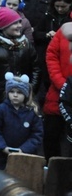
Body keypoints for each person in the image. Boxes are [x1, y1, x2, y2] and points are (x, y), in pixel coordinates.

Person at [0, 7, 38, 106]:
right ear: (4, 26)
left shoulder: (25, 44)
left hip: (23, 95)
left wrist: (30, 88)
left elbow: (36, 68)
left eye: (20, 22)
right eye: (15, 23)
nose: (20, 25)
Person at [0, 73, 43, 169]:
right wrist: (2, 147)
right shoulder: (1, 109)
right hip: (0, 157)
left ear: (25, 94)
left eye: (19, 92)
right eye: (12, 92)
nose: (15, 95)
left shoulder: (32, 113)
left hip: (25, 157)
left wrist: (23, 149)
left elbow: (37, 135)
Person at [43, 22, 72, 160]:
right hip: (57, 91)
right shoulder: (65, 29)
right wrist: (62, 83)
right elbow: (52, 54)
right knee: (51, 137)